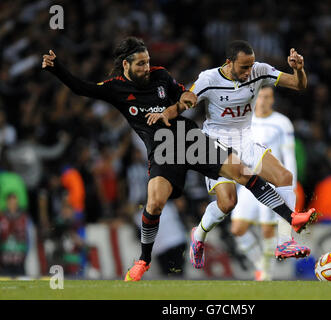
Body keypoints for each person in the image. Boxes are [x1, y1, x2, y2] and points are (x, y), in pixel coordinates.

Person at [42, 37, 315, 281]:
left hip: (189, 138)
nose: (146, 67)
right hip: (163, 149)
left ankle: (291, 219)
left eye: (147, 61)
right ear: (126, 65)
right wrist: (57, 69)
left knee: (243, 173)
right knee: (155, 202)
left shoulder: (161, 76)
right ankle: (143, 260)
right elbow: (81, 88)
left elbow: (183, 95)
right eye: (140, 64)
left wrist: (180, 103)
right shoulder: (115, 88)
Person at [152, 40, 315, 269]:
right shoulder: (208, 80)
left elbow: (299, 86)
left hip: (245, 139)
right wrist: (167, 113)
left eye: (251, 66)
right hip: (215, 144)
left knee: (284, 177)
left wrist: (298, 69)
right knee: (228, 203)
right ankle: (198, 236)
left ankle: (284, 241)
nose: (249, 72)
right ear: (229, 63)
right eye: (243, 67)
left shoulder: (260, 70)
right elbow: (180, 105)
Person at [230, 85, 303, 281]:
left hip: (272, 183)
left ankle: (266, 274)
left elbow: (289, 155)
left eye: (268, 97)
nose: (263, 100)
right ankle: (260, 265)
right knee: (237, 229)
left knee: (267, 229)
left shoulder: (282, 123)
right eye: (260, 96)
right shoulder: (245, 120)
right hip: (248, 182)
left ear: (272, 99)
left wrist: (290, 186)